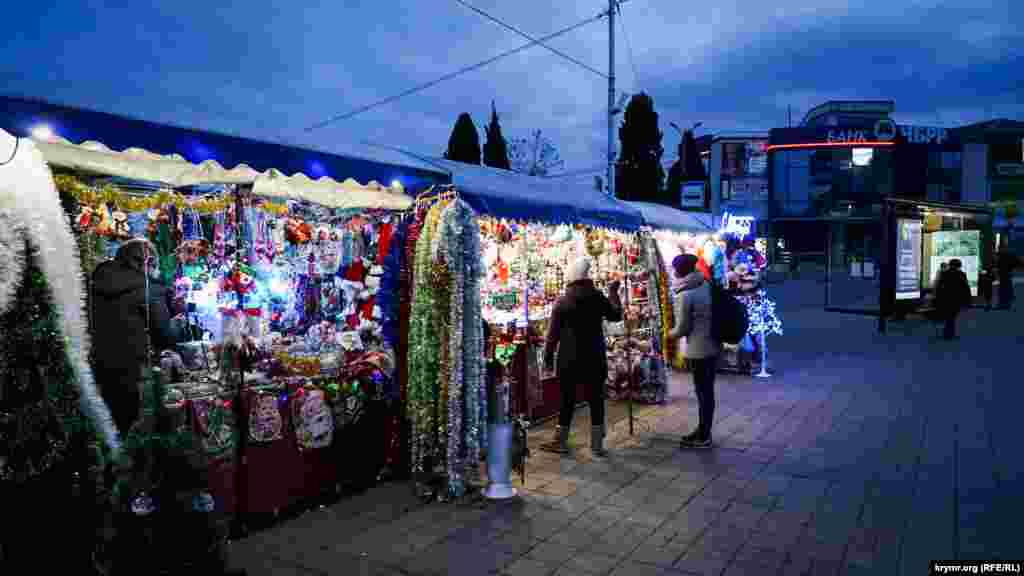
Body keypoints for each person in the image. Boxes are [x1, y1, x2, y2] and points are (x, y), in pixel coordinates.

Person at [91, 238, 176, 434]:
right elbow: (165, 335)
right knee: (139, 430)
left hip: (103, 367)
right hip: (136, 371)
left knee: (114, 426)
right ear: (146, 262)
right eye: (152, 263)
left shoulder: (99, 280)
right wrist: (176, 320)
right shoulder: (147, 287)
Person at [541, 257, 622, 457]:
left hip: (568, 359)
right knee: (596, 398)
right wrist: (613, 292)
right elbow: (616, 315)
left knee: (566, 400)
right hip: (595, 357)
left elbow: (553, 335)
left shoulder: (562, 301)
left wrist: (548, 358)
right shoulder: (597, 297)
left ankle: (560, 441)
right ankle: (597, 445)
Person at [668, 254, 720, 449]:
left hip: (699, 350)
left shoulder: (685, 294)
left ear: (681, 271)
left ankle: (704, 435)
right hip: (713, 345)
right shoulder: (704, 283)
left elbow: (682, 328)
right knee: (708, 392)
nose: (673, 272)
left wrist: (666, 334)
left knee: (703, 393)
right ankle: (703, 430)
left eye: (675, 268)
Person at [935, 258, 972, 340]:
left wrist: (938, 297)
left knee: (949, 316)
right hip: (956, 299)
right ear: (959, 265)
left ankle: (948, 333)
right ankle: (949, 333)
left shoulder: (944, 273)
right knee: (952, 316)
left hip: (946, 298)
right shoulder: (961, 274)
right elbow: (965, 287)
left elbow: (939, 286)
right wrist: (968, 300)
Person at [996, 240, 1018, 310]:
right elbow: (1016, 263)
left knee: (1004, 288)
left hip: (1004, 274)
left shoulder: (1001, 256)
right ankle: (1005, 303)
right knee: (1006, 288)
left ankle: (1003, 303)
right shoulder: (1007, 255)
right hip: (1006, 274)